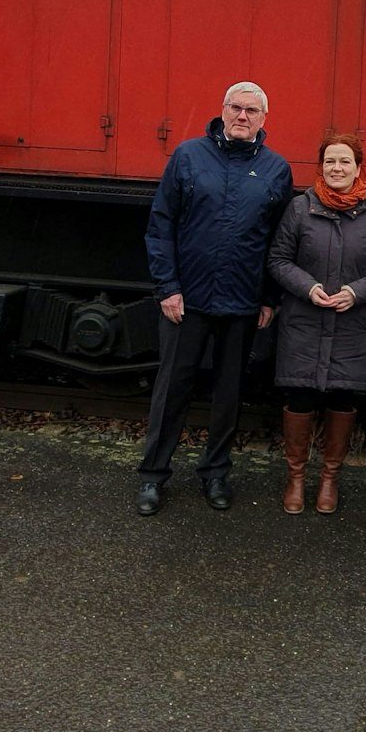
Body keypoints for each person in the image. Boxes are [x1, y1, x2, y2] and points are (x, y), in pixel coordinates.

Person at [136, 82, 294, 516]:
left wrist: (269, 298)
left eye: (252, 110)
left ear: (265, 119)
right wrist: (167, 287)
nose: (243, 116)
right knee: (172, 389)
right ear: (223, 111)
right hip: (187, 299)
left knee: (229, 391)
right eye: (236, 108)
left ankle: (216, 472)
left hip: (242, 302)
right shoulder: (188, 156)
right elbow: (161, 225)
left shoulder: (277, 169)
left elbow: (278, 243)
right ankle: (153, 475)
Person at [267, 134, 366, 514]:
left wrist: (357, 292)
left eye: (345, 162)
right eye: (330, 162)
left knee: (343, 398)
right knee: (300, 397)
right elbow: (278, 259)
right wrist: (307, 288)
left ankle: (329, 479)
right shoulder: (299, 208)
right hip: (305, 321)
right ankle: (295, 478)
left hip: (351, 323)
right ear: (320, 167)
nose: (337, 168)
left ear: (359, 168)